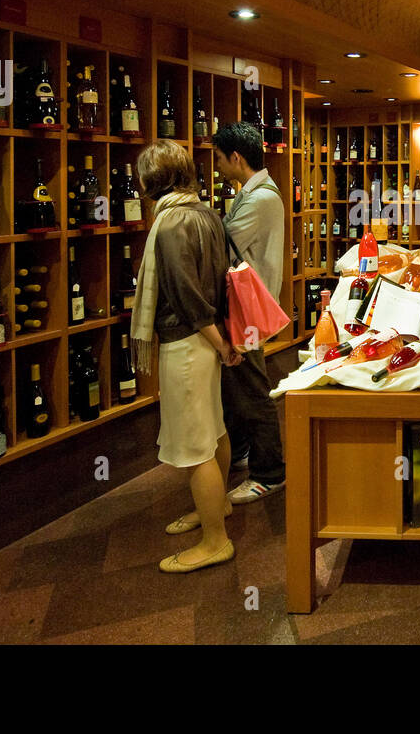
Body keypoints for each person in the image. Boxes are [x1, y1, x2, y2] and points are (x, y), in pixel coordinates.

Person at [130, 140, 241, 573]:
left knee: (195, 445)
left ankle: (215, 540)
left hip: (190, 340)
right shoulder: (205, 212)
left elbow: (186, 296)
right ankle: (217, 508)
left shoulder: (171, 222)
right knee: (213, 430)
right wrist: (224, 340)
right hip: (210, 338)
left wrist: (217, 342)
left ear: (149, 180)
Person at [213, 120, 286, 503]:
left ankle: (269, 472)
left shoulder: (258, 200)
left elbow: (220, 244)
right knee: (237, 383)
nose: (218, 166)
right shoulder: (259, 193)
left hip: (248, 311)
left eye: (220, 158)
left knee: (254, 389)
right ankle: (242, 450)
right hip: (249, 307)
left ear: (236, 157)